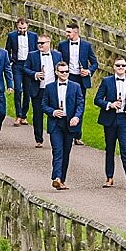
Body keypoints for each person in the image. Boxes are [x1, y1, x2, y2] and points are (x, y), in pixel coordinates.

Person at [94, 57, 126, 189]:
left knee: (125, 148)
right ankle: (109, 177)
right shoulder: (106, 81)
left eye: (123, 65)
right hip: (110, 119)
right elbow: (97, 99)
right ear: (114, 67)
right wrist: (109, 104)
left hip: (125, 119)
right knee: (110, 148)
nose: (120, 68)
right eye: (118, 65)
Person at [55, 24, 99, 147]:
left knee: (80, 105)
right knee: (66, 103)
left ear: (76, 32)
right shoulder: (62, 45)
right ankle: (66, 131)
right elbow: (59, 62)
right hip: (68, 77)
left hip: (81, 78)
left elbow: (95, 63)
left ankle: (77, 135)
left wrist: (88, 71)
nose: (67, 34)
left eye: (69, 32)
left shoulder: (86, 46)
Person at [41, 61, 82, 189]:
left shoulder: (75, 87)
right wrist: (53, 112)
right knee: (57, 150)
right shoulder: (49, 87)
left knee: (66, 152)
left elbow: (80, 104)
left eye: (66, 72)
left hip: (69, 123)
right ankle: (56, 177)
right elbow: (43, 105)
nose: (64, 74)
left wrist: (76, 117)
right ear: (56, 72)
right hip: (55, 124)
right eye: (62, 72)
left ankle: (62, 179)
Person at [23, 35, 59, 148]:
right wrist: (35, 74)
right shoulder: (32, 55)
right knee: (38, 115)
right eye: (39, 43)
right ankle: (38, 139)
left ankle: (54, 136)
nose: (40, 45)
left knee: (53, 114)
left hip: (52, 90)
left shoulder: (57, 55)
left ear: (49, 43)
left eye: (42, 43)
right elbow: (25, 68)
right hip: (38, 89)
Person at [5, 17, 39, 125]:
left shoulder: (33, 36)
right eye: (20, 28)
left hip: (29, 65)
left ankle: (24, 115)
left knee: (27, 91)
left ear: (27, 26)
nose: (22, 30)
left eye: (24, 28)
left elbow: (36, 50)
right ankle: (18, 115)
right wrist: (11, 61)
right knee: (18, 90)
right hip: (17, 65)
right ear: (17, 26)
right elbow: (7, 51)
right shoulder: (12, 36)